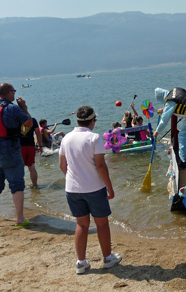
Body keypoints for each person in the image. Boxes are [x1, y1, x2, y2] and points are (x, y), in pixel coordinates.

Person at [59, 106, 121, 274]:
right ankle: (108, 258)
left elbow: (62, 166)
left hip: (72, 189)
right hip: (94, 188)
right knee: (101, 224)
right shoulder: (94, 138)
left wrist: (74, 178)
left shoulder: (67, 138)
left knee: (81, 224)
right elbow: (100, 165)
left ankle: (81, 262)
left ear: (78, 120)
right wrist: (109, 186)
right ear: (92, 121)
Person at [0, 82, 34, 228]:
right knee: (17, 185)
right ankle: (20, 218)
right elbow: (29, 123)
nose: (15, 93)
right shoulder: (12, 108)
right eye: (14, 91)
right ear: (9, 93)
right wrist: (24, 108)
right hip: (10, 152)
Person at [20, 118, 43, 187]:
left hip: (20, 147)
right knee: (32, 167)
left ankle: (19, 186)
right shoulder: (32, 120)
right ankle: (35, 185)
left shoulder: (16, 119)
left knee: (20, 168)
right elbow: (38, 134)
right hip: (31, 146)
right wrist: (40, 146)